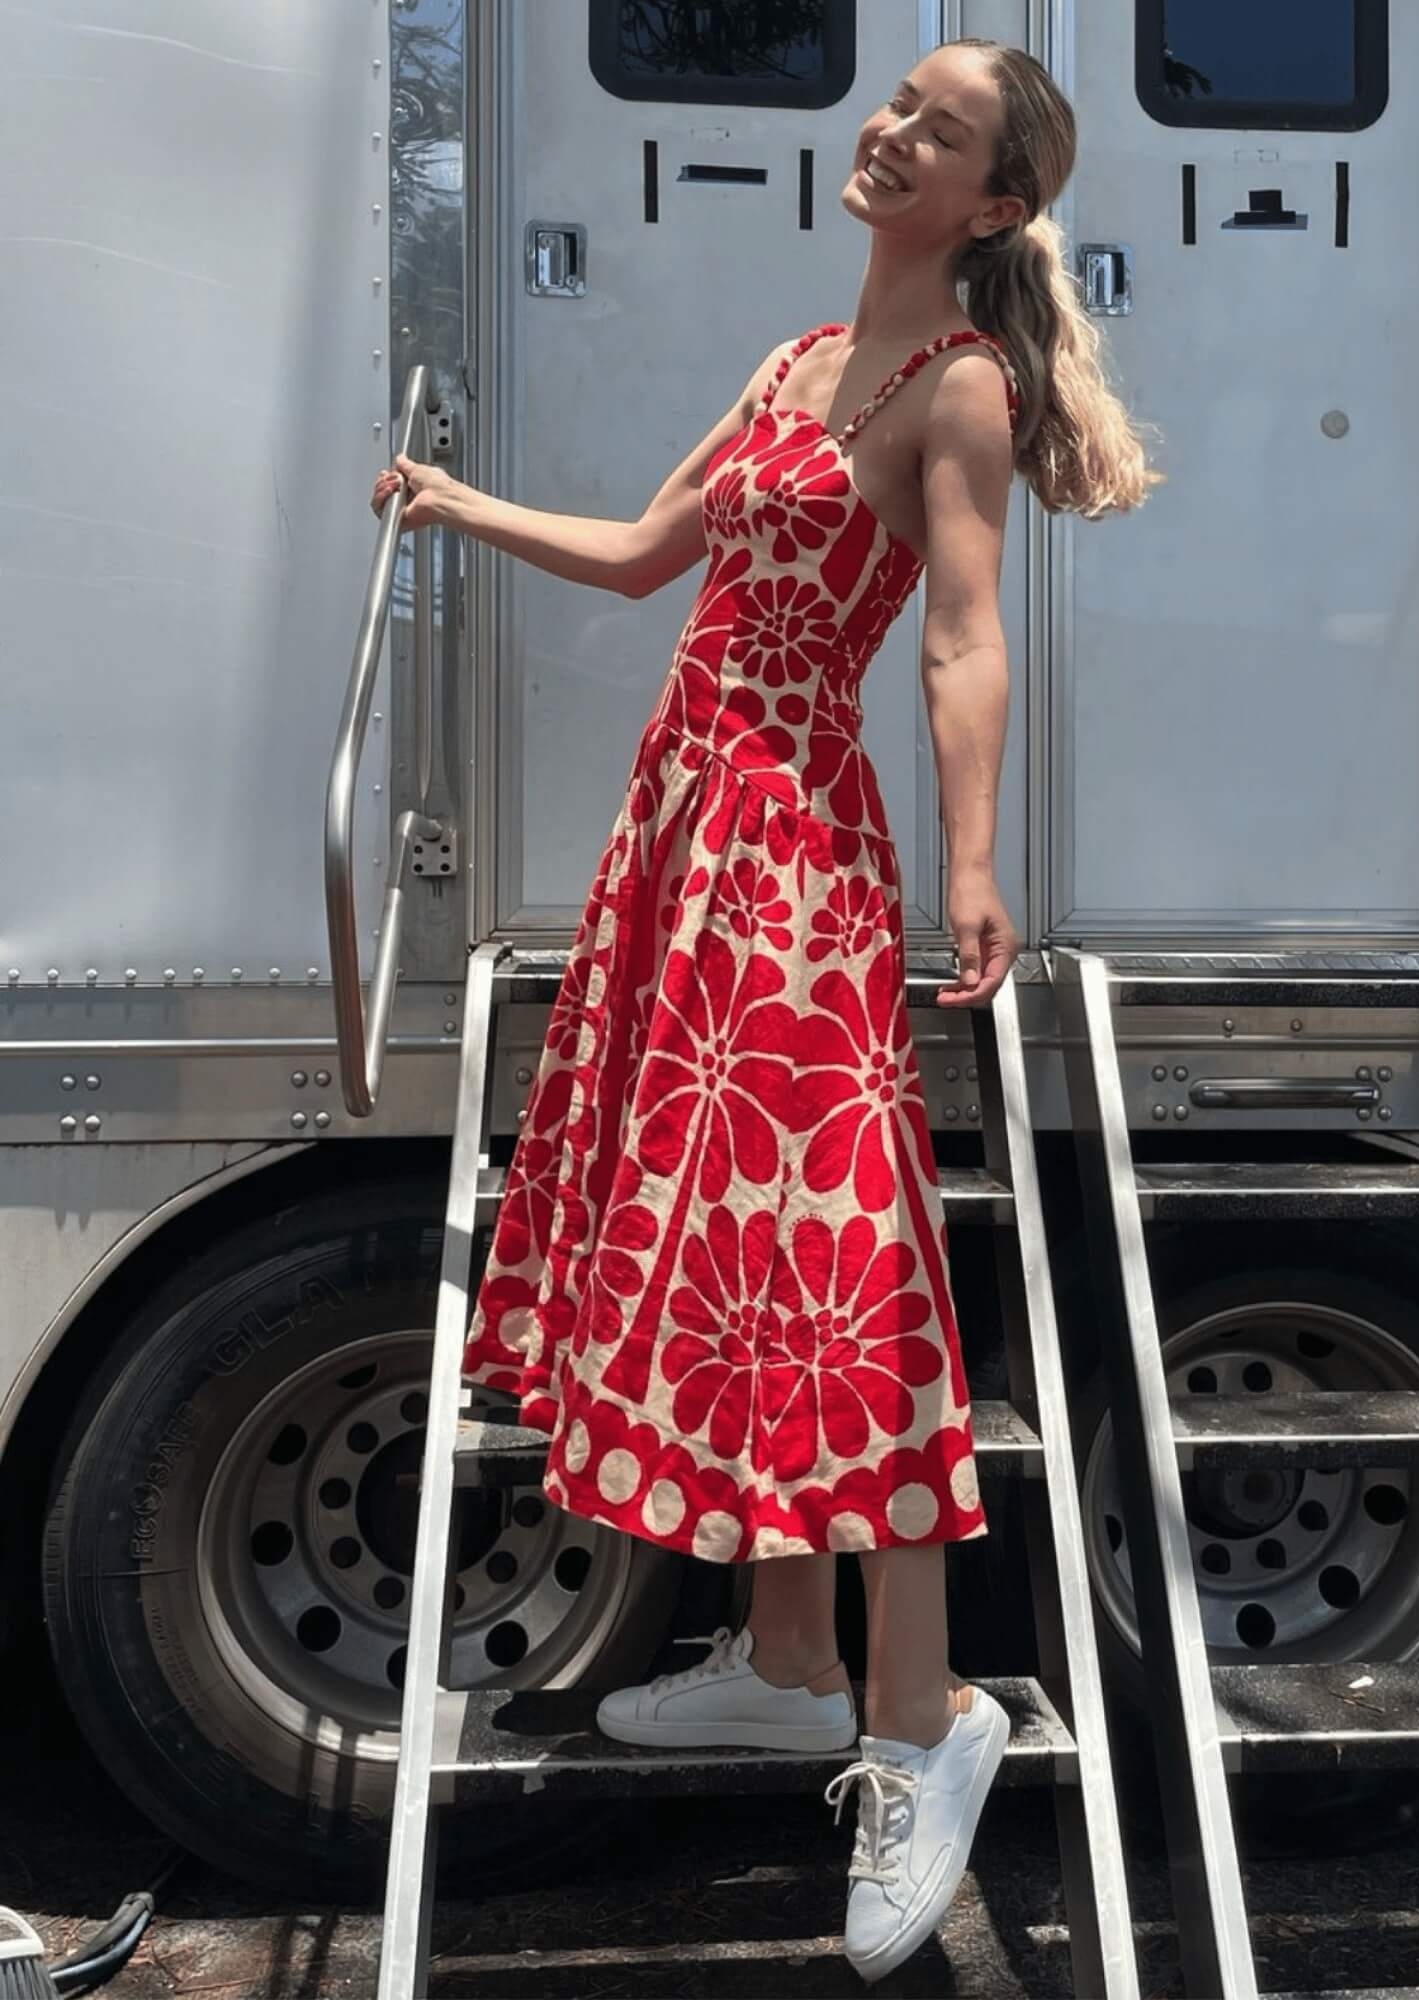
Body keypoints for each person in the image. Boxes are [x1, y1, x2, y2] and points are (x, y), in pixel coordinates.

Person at [373, 35, 1157, 1984]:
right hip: (684, 834)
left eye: (941, 129)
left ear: (991, 202)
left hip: (800, 840)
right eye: (894, 102)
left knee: (832, 1267)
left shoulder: (950, 386)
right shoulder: (790, 362)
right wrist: (455, 501)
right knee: (716, 1248)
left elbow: (964, 638)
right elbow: (648, 561)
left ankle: (924, 1712)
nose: (890, 128)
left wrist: (969, 865)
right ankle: (790, 1656)